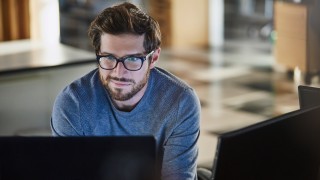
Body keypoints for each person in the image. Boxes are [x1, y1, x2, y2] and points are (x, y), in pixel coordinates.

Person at [51, 2, 200, 180]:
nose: (118, 73)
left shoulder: (180, 102)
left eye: (132, 59)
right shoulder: (72, 104)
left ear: (153, 58)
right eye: (108, 58)